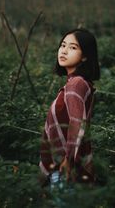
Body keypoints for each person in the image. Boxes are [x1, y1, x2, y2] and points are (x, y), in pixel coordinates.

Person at [39, 28, 100, 187]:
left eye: (73, 47)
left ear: (85, 56)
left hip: (66, 167)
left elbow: (77, 122)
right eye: (63, 45)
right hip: (66, 164)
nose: (64, 51)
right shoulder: (75, 83)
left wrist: (68, 159)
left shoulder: (76, 83)